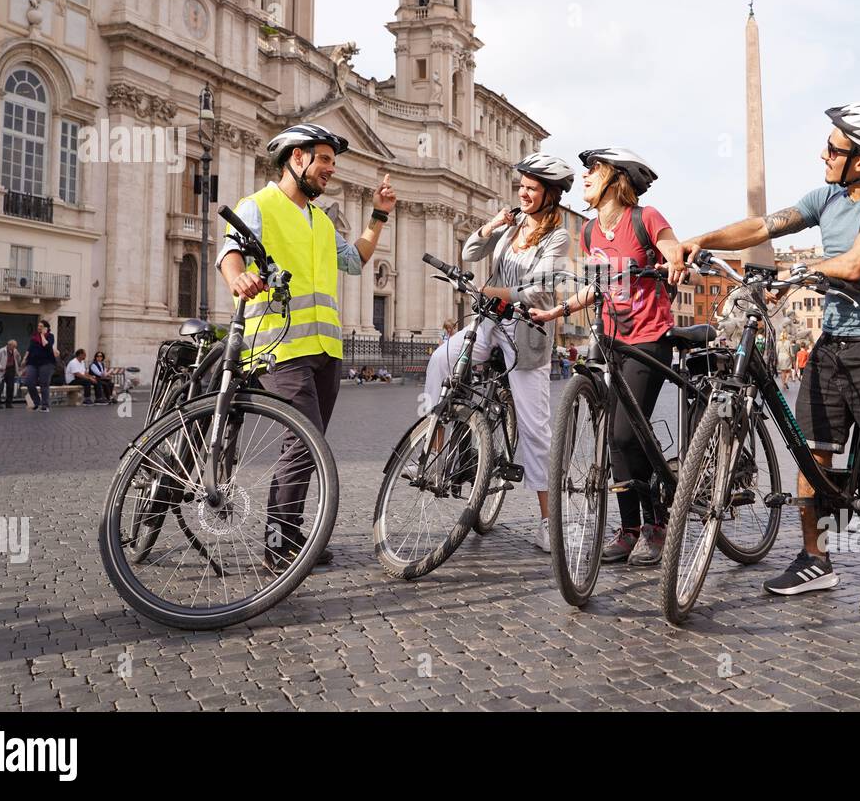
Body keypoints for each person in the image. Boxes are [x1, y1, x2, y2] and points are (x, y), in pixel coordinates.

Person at [682, 102, 860, 613]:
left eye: (834, 148)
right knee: (810, 452)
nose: (824, 154)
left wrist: (797, 273)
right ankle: (816, 560)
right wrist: (702, 238)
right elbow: (763, 227)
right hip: (831, 347)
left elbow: (859, 261)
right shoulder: (826, 197)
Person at [217, 122, 396, 574]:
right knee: (303, 441)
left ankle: (290, 532)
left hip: (324, 349)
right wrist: (237, 276)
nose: (330, 170)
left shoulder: (319, 220)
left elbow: (354, 260)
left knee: (308, 443)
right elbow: (230, 251)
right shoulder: (258, 205)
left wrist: (378, 215)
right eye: (324, 160)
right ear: (296, 158)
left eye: (333, 162)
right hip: (276, 346)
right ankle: (278, 545)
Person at [532, 148, 687, 566]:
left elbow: (672, 246)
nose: (584, 177)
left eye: (593, 171)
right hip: (610, 341)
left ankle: (656, 524)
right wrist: (557, 311)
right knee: (615, 440)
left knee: (624, 433)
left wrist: (673, 259)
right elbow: (597, 288)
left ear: (616, 179)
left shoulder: (645, 218)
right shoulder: (589, 233)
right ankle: (629, 528)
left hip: (648, 339)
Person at [424, 154, 575, 553]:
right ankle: (437, 452)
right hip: (490, 323)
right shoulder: (513, 227)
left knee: (534, 428)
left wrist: (492, 293)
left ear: (550, 195)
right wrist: (492, 226)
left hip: (527, 332)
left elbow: (539, 292)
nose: (523, 193)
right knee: (441, 360)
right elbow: (470, 255)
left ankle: (548, 522)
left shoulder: (558, 237)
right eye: (521, 187)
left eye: (531, 188)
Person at [22, 320, 56, 412]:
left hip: (46, 362)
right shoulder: (34, 337)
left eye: (41, 326)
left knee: (44, 383)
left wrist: (42, 335)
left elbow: (46, 345)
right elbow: (29, 349)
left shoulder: (50, 336)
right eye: (38, 326)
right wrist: (24, 359)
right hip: (32, 362)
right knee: (29, 382)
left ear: (46, 328)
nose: (39, 327)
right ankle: (37, 402)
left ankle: (45, 405)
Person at [0, 340, 20, 409]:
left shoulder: (15, 351)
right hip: (2, 371)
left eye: (15, 347)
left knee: (10, 387)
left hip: (11, 370)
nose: (14, 348)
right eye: (13, 346)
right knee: (0, 387)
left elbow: (18, 360)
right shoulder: (2, 351)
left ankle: (8, 403)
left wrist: (18, 357)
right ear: (9, 345)